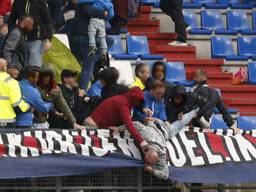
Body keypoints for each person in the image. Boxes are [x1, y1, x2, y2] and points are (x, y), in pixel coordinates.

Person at [84, 87, 148, 148]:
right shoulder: (123, 106)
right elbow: (129, 124)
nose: (137, 103)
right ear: (133, 99)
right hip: (91, 126)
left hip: (94, 124)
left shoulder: (123, 99)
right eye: (137, 101)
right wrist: (141, 141)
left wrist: (142, 109)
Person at [71, 2, 114, 92]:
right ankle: (82, 91)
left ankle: (81, 91)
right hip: (84, 36)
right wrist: (103, 13)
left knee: (110, 41)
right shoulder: (85, 2)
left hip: (90, 37)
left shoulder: (98, 3)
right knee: (88, 66)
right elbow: (88, 9)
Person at [191, 70, 240, 134]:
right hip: (206, 123)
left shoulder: (195, 90)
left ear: (198, 78)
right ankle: (203, 119)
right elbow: (223, 109)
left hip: (195, 123)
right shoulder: (215, 93)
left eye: (195, 77)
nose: (193, 79)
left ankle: (200, 117)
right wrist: (232, 125)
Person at [8, 0, 53, 68]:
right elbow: (12, 20)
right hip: (19, 40)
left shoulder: (41, 2)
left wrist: (48, 39)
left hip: (36, 39)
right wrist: (12, 34)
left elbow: (48, 21)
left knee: (34, 68)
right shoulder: (17, 2)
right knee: (20, 67)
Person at [0, 58, 30, 128]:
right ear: (3, 67)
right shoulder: (11, 82)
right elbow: (17, 104)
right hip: (5, 121)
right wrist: (28, 107)